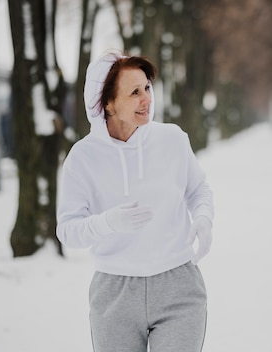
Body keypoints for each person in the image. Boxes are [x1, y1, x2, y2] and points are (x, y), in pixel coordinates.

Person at [56, 52, 214, 352]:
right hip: (115, 291)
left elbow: (199, 190)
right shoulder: (82, 158)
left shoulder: (172, 140)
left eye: (147, 88)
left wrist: (204, 219)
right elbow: (67, 230)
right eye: (134, 92)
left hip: (178, 284)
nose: (146, 99)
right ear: (107, 103)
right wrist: (108, 223)